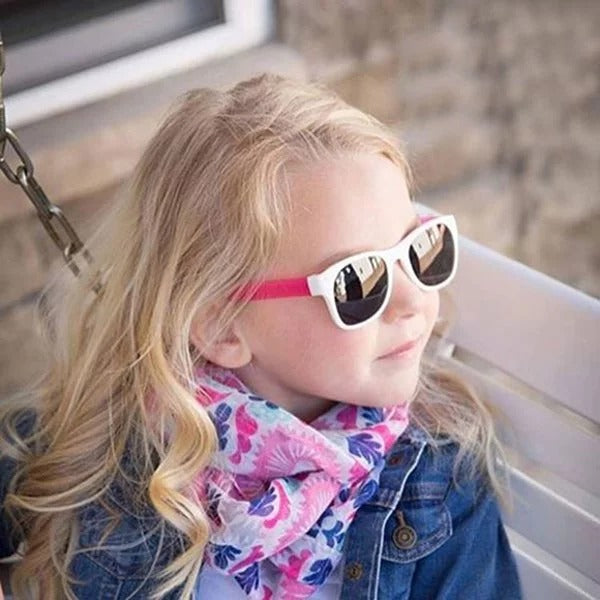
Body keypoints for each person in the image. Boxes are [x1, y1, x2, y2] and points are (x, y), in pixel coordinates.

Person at [0, 73, 522, 599]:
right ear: (222, 326)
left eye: (420, 248)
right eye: (358, 281)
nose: (412, 301)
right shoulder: (122, 437)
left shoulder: (440, 485)